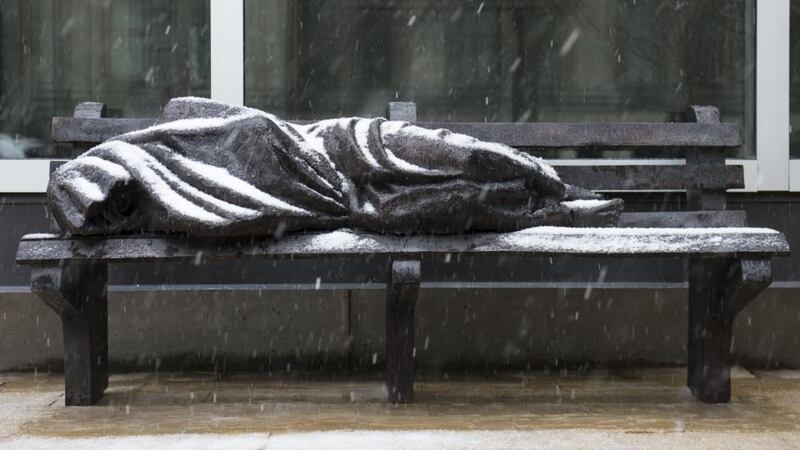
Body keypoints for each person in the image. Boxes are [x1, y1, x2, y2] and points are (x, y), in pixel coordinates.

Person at [48, 97, 622, 237]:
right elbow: (247, 221)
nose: (121, 206)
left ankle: (553, 182)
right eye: (110, 212)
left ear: (107, 165)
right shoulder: (179, 211)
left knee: (464, 156)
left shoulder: (178, 120)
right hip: (337, 204)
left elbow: (249, 123)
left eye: (112, 195)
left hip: (338, 143)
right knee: (457, 204)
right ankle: (559, 212)